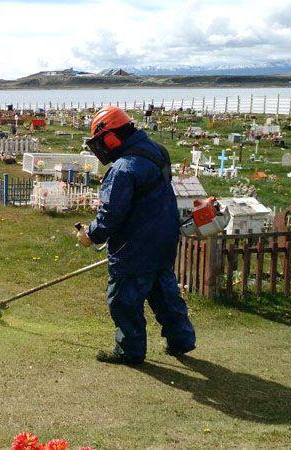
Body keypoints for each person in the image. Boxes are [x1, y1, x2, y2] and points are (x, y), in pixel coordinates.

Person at [77, 106, 196, 365]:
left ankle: (129, 350)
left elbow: (111, 213)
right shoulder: (157, 151)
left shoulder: (123, 169)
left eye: (101, 143)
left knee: (123, 298)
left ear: (110, 137)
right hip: (165, 237)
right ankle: (181, 339)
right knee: (163, 290)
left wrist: (91, 235)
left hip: (135, 244)